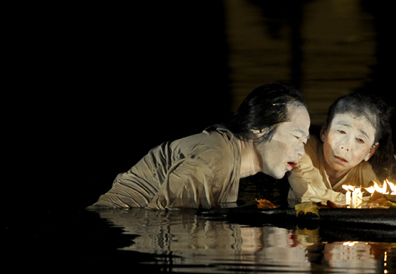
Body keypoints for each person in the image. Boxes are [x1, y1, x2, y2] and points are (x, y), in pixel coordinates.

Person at [89, 83, 310, 210]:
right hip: (115, 232)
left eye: (305, 141)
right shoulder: (215, 161)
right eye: (296, 136)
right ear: (259, 128)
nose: (301, 151)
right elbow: (172, 225)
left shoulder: (227, 156)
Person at [287, 92, 396, 206]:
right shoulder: (303, 150)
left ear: (370, 151)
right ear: (324, 131)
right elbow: (310, 193)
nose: (346, 146)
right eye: (341, 131)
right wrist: (364, 202)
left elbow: (379, 204)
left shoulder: (365, 174)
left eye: (360, 140)